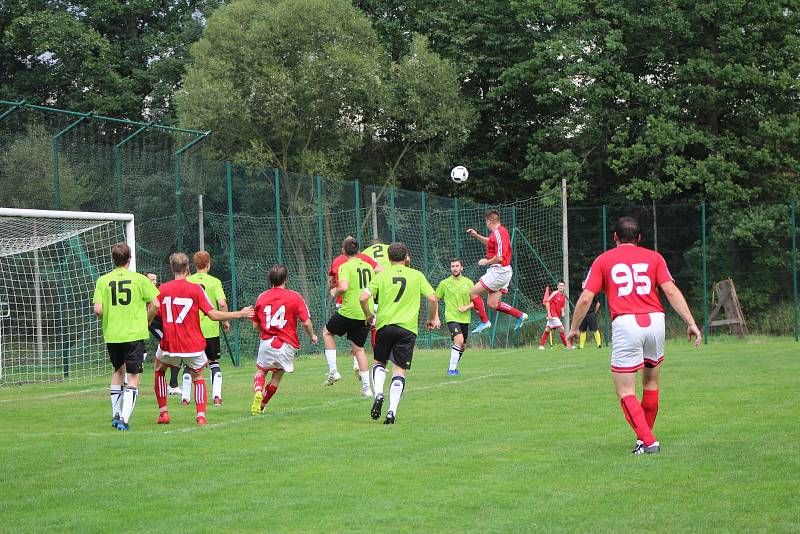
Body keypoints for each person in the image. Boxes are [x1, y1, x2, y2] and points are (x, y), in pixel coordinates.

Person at [567, 217, 701, 454]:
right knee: (651, 382)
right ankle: (644, 440)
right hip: (656, 321)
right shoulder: (655, 257)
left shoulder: (604, 260)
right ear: (639, 238)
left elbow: (587, 298)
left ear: (615, 237)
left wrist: (575, 328)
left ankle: (649, 441)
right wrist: (691, 322)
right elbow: (669, 290)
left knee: (625, 390)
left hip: (627, 322)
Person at [153, 253, 253, 426]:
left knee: (159, 370)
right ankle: (200, 416)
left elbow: (155, 312)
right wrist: (241, 313)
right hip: (192, 342)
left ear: (172, 269)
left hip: (170, 342)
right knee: (198, 376)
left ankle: (163, 413)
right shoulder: (195, 289)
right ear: (187, 268)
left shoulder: (162, 289)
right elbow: (213, 314)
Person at [359, 242, 440, 424]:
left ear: (388, 258)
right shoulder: (416, 275)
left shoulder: (382, 275)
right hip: (407, 329)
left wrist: (368, 315)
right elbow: (433, 298)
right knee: (399, 370)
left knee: (379, 362)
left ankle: (379, 392)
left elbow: (363, 297)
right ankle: (391, 411)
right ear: (406, 258)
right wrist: (433, 317)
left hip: (385, 326)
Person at [93, 243, 160, 431]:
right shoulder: (140, 279)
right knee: (133, 376)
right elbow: (155, 304)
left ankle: (115, 413)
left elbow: (98, 310)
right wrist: (147, 320)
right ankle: (124, 418)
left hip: (113, 334)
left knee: (117, 371)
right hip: (133, 334)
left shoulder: (102, 280)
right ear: (129, 259)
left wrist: (110, 314)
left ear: (113, 259)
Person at [251, 264, 318, 415]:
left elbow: (255, 324)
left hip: (266, 342)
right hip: (285, 344)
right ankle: (262, 404)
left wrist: (265, 333)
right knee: (277, 376)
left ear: (270, 280)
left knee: (261, 371)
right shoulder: (295, 296)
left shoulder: (262, 296)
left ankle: (257, 391)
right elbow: (306, 322)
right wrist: (312, 336)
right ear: (286, 279)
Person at [324, 237, 376, 395]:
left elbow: (344, 286)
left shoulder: (344, 266)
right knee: (359, 349)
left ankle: (333, 371)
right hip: (366, 312)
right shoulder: (368, 266)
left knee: (327, 332)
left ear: (343, 251)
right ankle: (367, 389)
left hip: (350, 310)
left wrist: (335, 291)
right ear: (359, 251)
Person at [467, 209, 527, 333]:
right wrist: (476, 235)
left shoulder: (498, 233)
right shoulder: (497, 233)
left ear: (490, 221)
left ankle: (484, 321)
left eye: (486, 222)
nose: (486, 224)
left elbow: (500, 258)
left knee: (473, 292)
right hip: (503, 271)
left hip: (499, 271)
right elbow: (490, 243)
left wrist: (486, 261)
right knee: (492, 304)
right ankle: (520, 315)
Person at [186, 251, 229, 405]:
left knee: (190, 363)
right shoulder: (214, 281)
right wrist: (226, 320)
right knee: (213, 362)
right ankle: (216, 396)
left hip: (191, 328)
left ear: (194, 265)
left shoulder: (188, 280)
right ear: (209, 264)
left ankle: (185, 398)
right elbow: (222, 303)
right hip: (210, 328)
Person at [144, 272, 183, 395]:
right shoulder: (143, 292)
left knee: (175, 349)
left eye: (155, 279)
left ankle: (172, 384)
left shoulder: (161, 290)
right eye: (151, 280)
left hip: (166, 324)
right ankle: (172, 385)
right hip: (154, 324)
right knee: (173, 348)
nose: (154, 282)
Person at [435, 258, 475, 376]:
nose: (455, 268)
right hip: (451, 317)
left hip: (465, 318)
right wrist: (436, 317)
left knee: (462, 346)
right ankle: (451, 370)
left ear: (461, 268)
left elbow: (475, 302)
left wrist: (466, 307)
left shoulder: (469, 283)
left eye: (457, 266)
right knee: (459, 341)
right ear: (450, 268)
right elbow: (435, 300)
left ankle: (453, 367)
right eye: (452, 266)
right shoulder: (444, 283)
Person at [538, 281, 572, 350]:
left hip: (557, 315)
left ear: (564, 287)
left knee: (547, 329)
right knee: (562, 329)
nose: (561, 287)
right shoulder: (555, 293)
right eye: (560, 285)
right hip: (553, 315)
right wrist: (549, 314)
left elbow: (562, 306)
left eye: (562, 286)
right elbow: (547, 302)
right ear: (557, 286)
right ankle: (567, 345)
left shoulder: (563, 296)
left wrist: (562, 312)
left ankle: (541, 346)